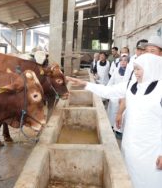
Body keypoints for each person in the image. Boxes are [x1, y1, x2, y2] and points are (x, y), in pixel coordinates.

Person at [66, 53, 162, 188]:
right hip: (130, 145)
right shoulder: (131, 85)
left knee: (150, 180)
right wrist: (85, 84)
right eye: (134, 69)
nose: (136, 73)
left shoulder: (160, 90)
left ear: (152, 68)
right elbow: (108, 91)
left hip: (152, 150)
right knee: (131, 177)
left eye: (139, 69)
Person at [106, 55, 129, 139]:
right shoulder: (116, 71)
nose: (123, 62)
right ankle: (112, 127)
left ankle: (119, 131)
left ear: (128, 62)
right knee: (112, 113)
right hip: (114, 96)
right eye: (121, 60)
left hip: (124, 97)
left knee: (122, 114)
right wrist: (107, 93)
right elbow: (111, 81)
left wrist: (124, 96)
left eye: (125, 60)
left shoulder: (130, 73)